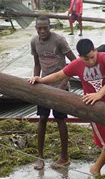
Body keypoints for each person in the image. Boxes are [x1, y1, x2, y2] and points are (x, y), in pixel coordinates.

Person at [28, 39, 105, 176]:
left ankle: (95, 168)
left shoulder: (104, 57)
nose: (90, 61)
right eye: (86, 59)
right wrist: (41, 80)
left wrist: (100, 93)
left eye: (92, 57)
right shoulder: (77, 65)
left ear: (95, 50)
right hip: (94, 110)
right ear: (79, 57)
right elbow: (59, 75)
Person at [30, 15, 77, 170]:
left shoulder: (59, 40)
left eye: (45, 27)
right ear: (36, 28)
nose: (42, 31)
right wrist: (35, 78)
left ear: (50, 27)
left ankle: (64, 157)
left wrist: (63, 84)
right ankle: (40, 157)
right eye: (39, 28)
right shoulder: (34, 42)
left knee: (60, 120)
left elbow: (74, 63)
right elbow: (37, 64)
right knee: (42, 118)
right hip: (44, 86)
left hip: (60, 86)